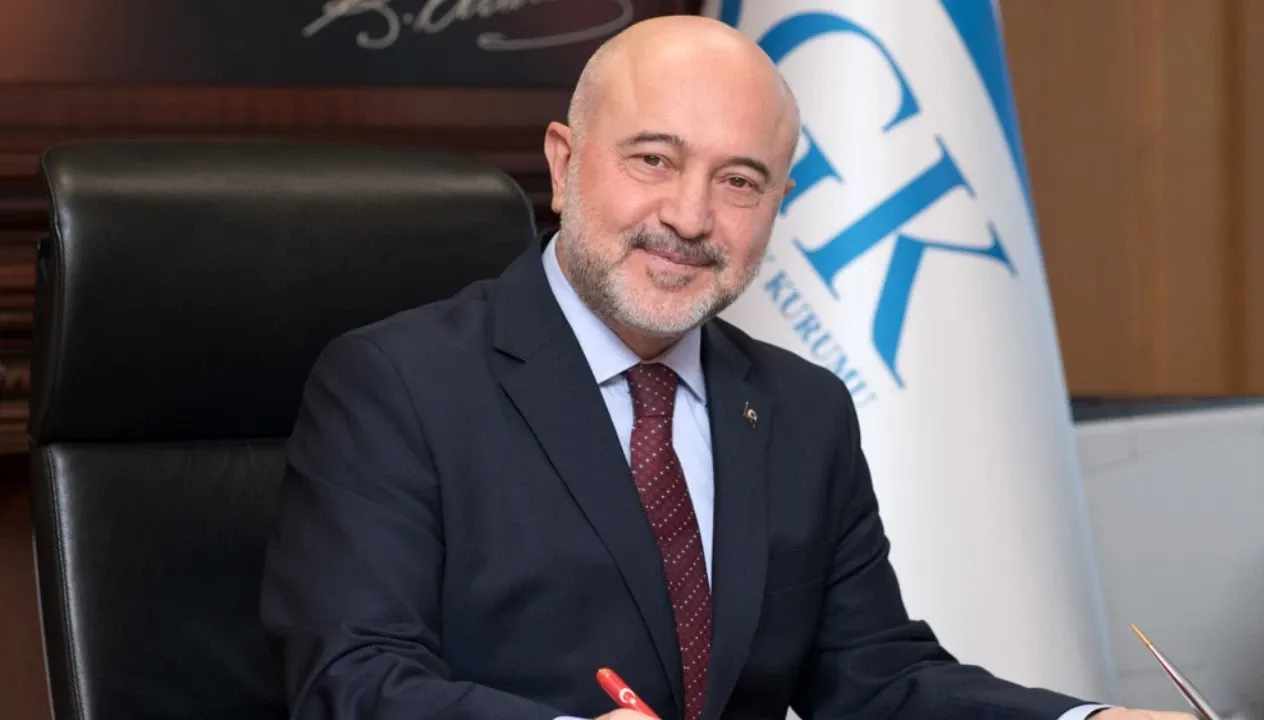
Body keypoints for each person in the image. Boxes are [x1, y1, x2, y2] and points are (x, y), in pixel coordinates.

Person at [259, 14, 1194, 720]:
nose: (691, 216)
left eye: (740, 181)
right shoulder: (396, 385)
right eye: (653, 160)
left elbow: (875, 677)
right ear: (564, 163)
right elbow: (354, 678)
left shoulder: (803, 410)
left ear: (779, 202)